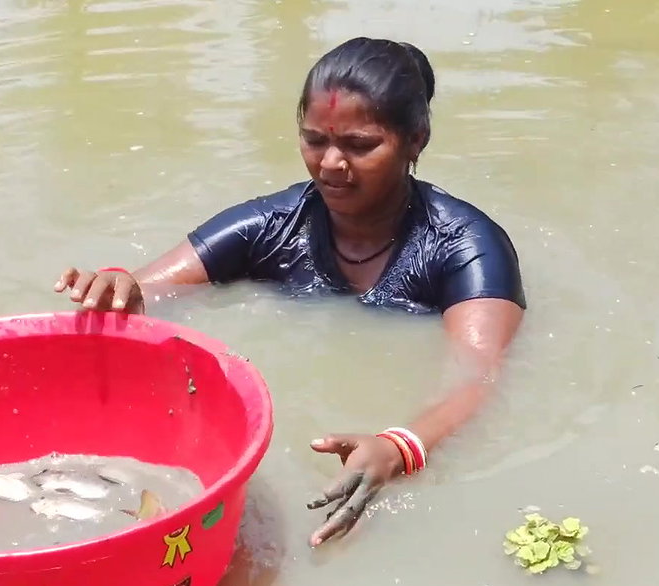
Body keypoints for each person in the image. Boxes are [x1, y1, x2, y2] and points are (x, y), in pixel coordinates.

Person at [53, 37, 526, 547]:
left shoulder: (466, 246)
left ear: (417, 138)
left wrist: (399, 448)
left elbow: (476, 375)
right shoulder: (272, 226)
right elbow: (149, 290)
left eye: (360, 145)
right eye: (314, 140)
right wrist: (118, 291)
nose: (330, 164)